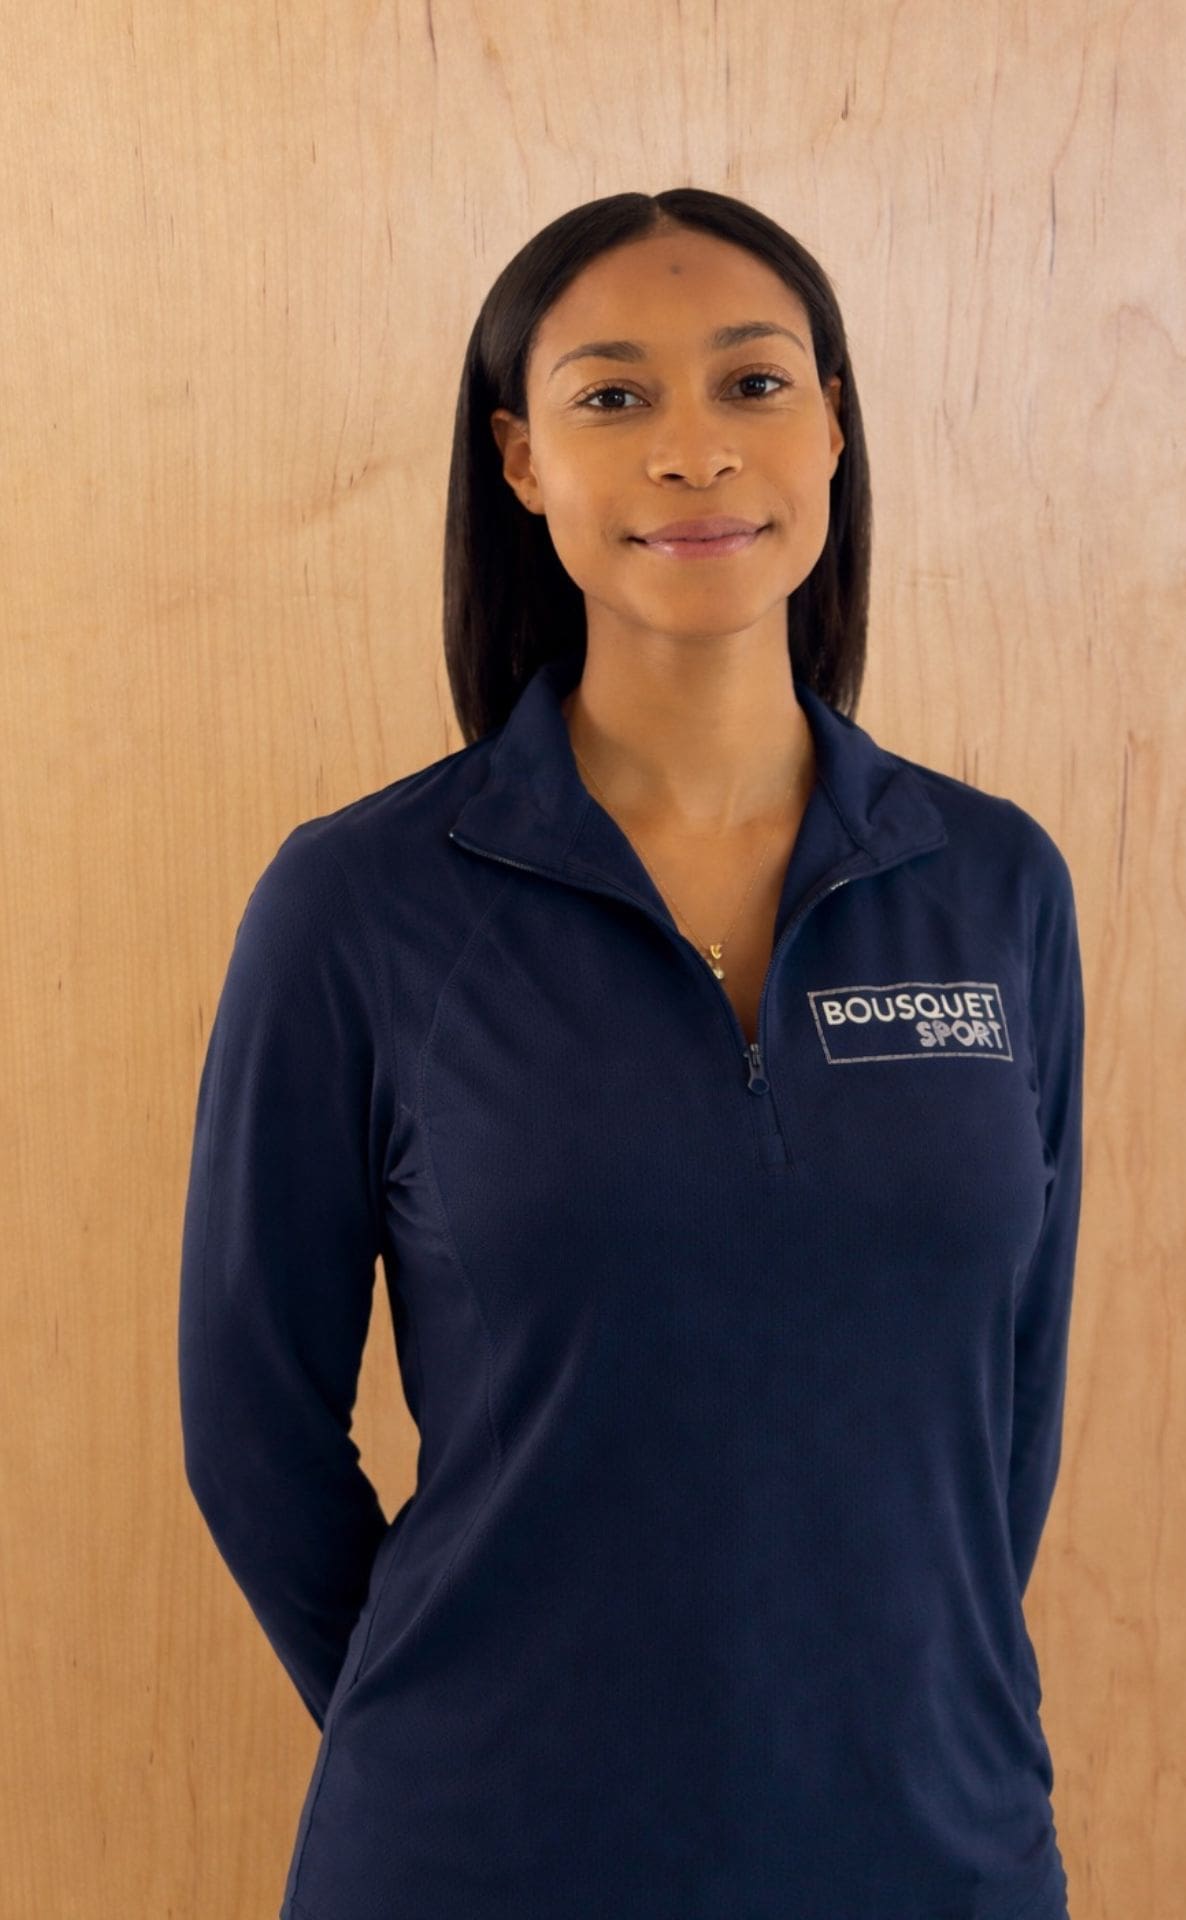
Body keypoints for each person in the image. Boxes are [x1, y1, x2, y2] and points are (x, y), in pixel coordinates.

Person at [178, 188, 1084, 1920]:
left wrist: (890, 1711)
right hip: (482, 1862)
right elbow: (250, 1423)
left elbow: (1005, 1415)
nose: (694, 451)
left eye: (753, 384)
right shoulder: (360, 902)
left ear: (833, 425)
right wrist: (449, 1726)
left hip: (936, 1853)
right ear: (520, 460)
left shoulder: (993, 886)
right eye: (613, 397)